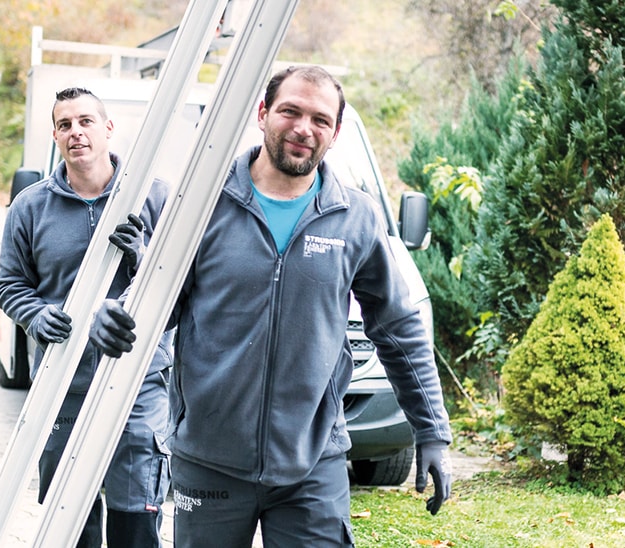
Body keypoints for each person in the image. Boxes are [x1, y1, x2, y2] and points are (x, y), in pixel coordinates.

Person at [89, 65, 453, 547]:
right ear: (263, 114)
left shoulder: (355, 217)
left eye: (321, 120)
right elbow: (160, 300)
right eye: (290, 111)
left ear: (335, 133)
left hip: (312, 460)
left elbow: (398, 327)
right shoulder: (203, 203)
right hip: (209, 459)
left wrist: (432, 431)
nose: (305, 128)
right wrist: (114, 315)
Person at [0, 87, 173, 548]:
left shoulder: (154, 197)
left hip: (138, 384)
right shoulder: (30, 207)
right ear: (55, 135)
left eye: (86, 121)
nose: (76, 132)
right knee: (70, 523)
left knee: (137, 519)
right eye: (65, 124)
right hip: (62, 386)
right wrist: (36, 316)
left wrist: (144, 257)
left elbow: (184, 284)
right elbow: (10, 285)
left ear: (108, 128)